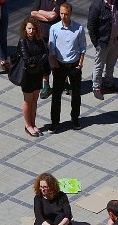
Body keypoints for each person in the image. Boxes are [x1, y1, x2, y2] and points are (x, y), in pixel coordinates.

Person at [47, 2, 86, 132]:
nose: (63, 16)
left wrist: (79, 65)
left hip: (74, 65)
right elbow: (51, 49)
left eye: (66, 14)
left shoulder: (78, 28)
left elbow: (83, 48)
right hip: (60, 66)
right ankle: (54, 122)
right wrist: (55, 66)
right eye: (61, 13)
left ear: (70, 14)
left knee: (76, 95)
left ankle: (75, 118)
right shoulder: (54, 28)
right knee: (56, 95)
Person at [18, 17, 50, 137]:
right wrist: (39, 59)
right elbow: (27, 60)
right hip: (27, 75)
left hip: (37, 73)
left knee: (35, 99)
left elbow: (45, 54)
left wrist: (37, 60)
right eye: (29, 28)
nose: (31, 31)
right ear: (25, 29)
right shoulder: (23, 41)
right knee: (28, 100)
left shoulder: (39, 40)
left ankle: (33, 123)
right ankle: (28, 125)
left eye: (33, 29)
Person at [87, 0, 118, 100]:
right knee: (99, 66)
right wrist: (96, 44)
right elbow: (91, 26)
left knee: (111, 64)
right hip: (103, 43)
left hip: (115, 41)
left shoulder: (116, 2)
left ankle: (109, 84)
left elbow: (117, 20)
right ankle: (96, 87)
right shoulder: (96, 6)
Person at [31, 0, 61, 96]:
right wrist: (47, 16)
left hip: (57, 35)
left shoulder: (60, 1)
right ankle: (46, 85)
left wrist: (40, 11)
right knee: (44, 61)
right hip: (42, 35)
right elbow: (33, 13)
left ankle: (63, 82)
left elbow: (53, 16)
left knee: (59, 58)